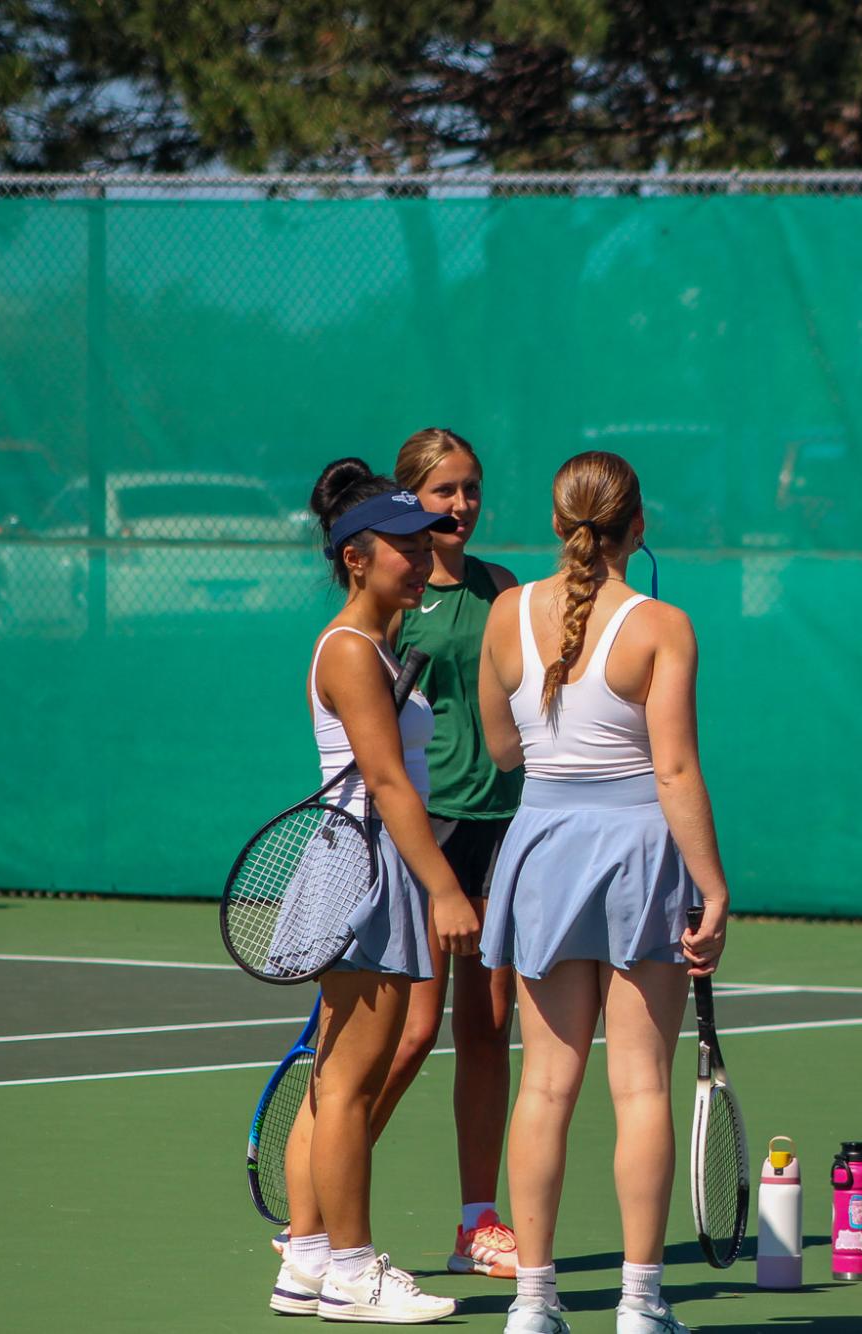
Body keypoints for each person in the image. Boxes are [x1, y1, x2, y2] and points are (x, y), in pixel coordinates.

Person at [477, 450, 731, 1334]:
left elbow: (503, 751)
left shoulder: (505, 613)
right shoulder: (663, 624)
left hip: (541, 846)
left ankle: (534, 1307)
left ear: (558, 525)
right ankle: (638, 1306)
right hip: (636, 854)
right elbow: (672, 766)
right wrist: (715, 888)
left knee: (543, 1087)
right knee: (639, 1089)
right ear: (639, 526)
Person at [267, 458, 482, 1325]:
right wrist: (446, 891)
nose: (420, 554)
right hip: (366, 863)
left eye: (420, 539)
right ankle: (354, 1271)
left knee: (338, 1078)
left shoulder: (378, 646)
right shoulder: (352, 651)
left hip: (365, 861)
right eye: (401, 543)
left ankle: (309, 1262)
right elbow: (390, 786)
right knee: (350, 1083)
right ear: (356, 557)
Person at [362, 428, 525, 1280]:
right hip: (427, 832)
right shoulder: (395, 592)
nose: (461, 505)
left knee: (487, 1025)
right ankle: (323, 1197)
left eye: (471, 489)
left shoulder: (503, 588)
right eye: (444, 491)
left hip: (502, 821)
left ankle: (476, 1225)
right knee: (412, 1030)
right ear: (410, 497)